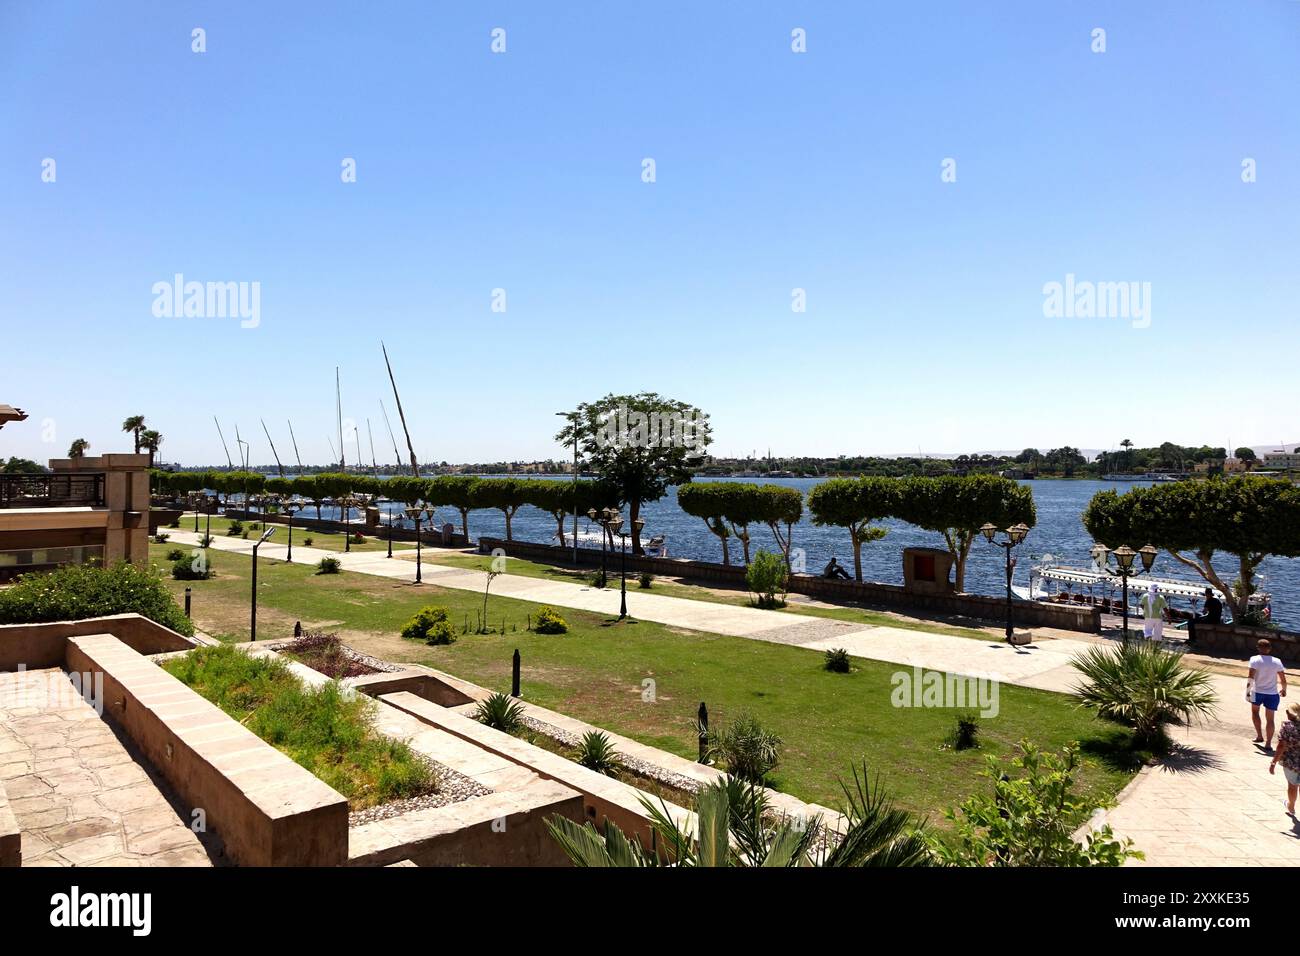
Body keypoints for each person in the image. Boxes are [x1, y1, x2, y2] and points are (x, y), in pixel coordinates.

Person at [1248, 638, 1289, 750]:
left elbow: (1251, 676)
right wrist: (1284, 689)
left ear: (1258, 648)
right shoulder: (1277, 661)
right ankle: (1268, 743)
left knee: (1255, 712)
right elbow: (1283, 679)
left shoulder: (1254, 659)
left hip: (1257, 691)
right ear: (1269, 649)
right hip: (1272, 694)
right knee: (1270, 719)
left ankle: (1259, 736)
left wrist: (1248, 691)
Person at [1269, 702, 1300, 816]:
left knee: (1292, 786)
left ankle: (1291, 807)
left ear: (1288, 713)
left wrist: (1273, 762)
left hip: (1291, 762)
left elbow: (1281, 746)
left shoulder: (1287, 726)